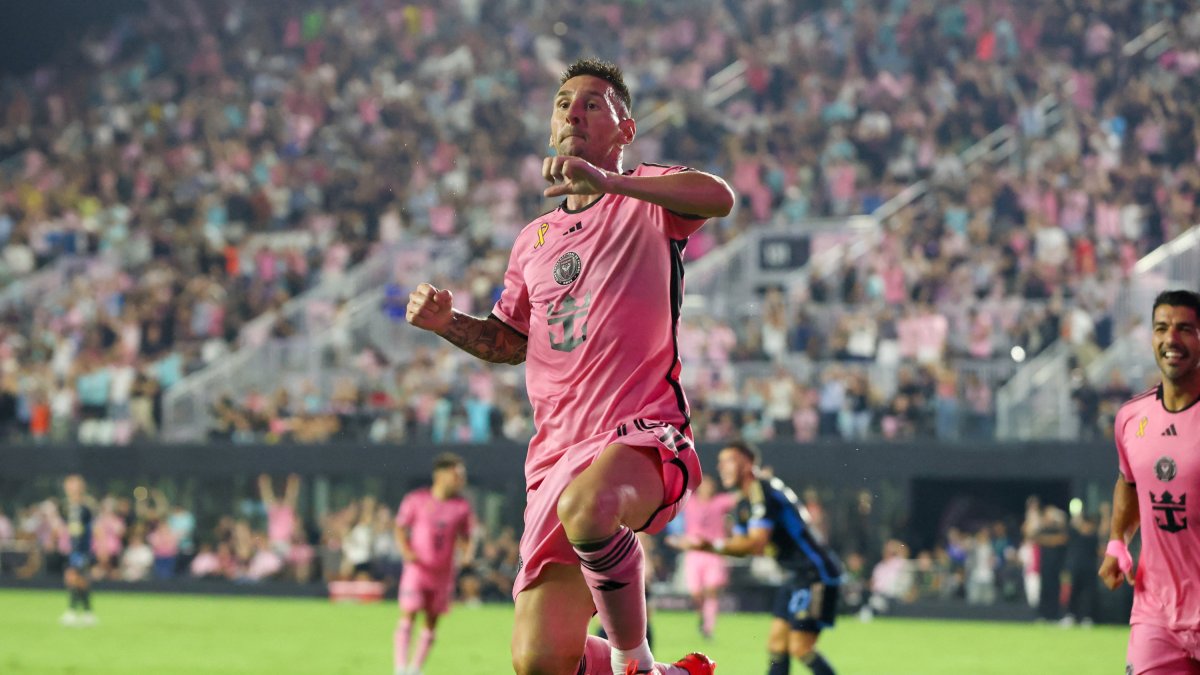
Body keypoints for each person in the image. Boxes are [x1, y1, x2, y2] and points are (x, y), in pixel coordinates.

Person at [406, 57, 733, 675]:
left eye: (593, 102)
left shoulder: (647, 197)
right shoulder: (532, 239)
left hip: (640, 430)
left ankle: (635, 663)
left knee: (589, 507)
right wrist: (446, 323)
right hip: (553, 454)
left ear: (624, 128)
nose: (574, 111)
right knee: (539, 662)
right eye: (564, 102)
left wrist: (612, 184)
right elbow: (509, 341)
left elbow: (719, 197)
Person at [1100, 289, 1200, 674]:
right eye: (1161, 328)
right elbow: (1129, 482)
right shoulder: (1131, 418)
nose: (1171, 339)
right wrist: (1117, 542)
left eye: (1185, 329)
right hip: (1155, 614)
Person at [682, 441, 842, 675]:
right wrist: (708, 546)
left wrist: (710, 545)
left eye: (728, 461)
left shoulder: (762, 490)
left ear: (746, 463)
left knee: (801, 647)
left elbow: (756, 542)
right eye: (720, 462)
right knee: (777, 644)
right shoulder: (743, 502)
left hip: (816, 573)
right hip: (796, 575)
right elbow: (743, 546)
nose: (721, 467)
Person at [393, 453, 478, 675]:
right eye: (457, 475)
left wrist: (467, 553)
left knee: (432, 620)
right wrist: (406, 551)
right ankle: (400, 667)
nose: (461, 480)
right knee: (409, 613)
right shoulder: (417, 500)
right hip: (417, 569)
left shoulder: (461, 506)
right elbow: (400, 527)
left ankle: (415, 668)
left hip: (443, 573)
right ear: (441, 475)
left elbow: (467, 536)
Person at [669, 475, 735, 640]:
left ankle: (708, 627)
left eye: (710, 485)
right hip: (694, 551)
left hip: (713, 551)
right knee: (696, 593)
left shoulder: (720, 502)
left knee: (711, 590)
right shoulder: (689, 502)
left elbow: (739, 496)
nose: (707, 488)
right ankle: (702, 616)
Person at [60, 474, 97, 627]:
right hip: (74, 550)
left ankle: (73, 611)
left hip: (82, 550)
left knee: (75, 578)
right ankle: (87, 612)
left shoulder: (84, 508)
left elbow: (86, 531)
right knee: (78, 580)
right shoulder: (69, 507)